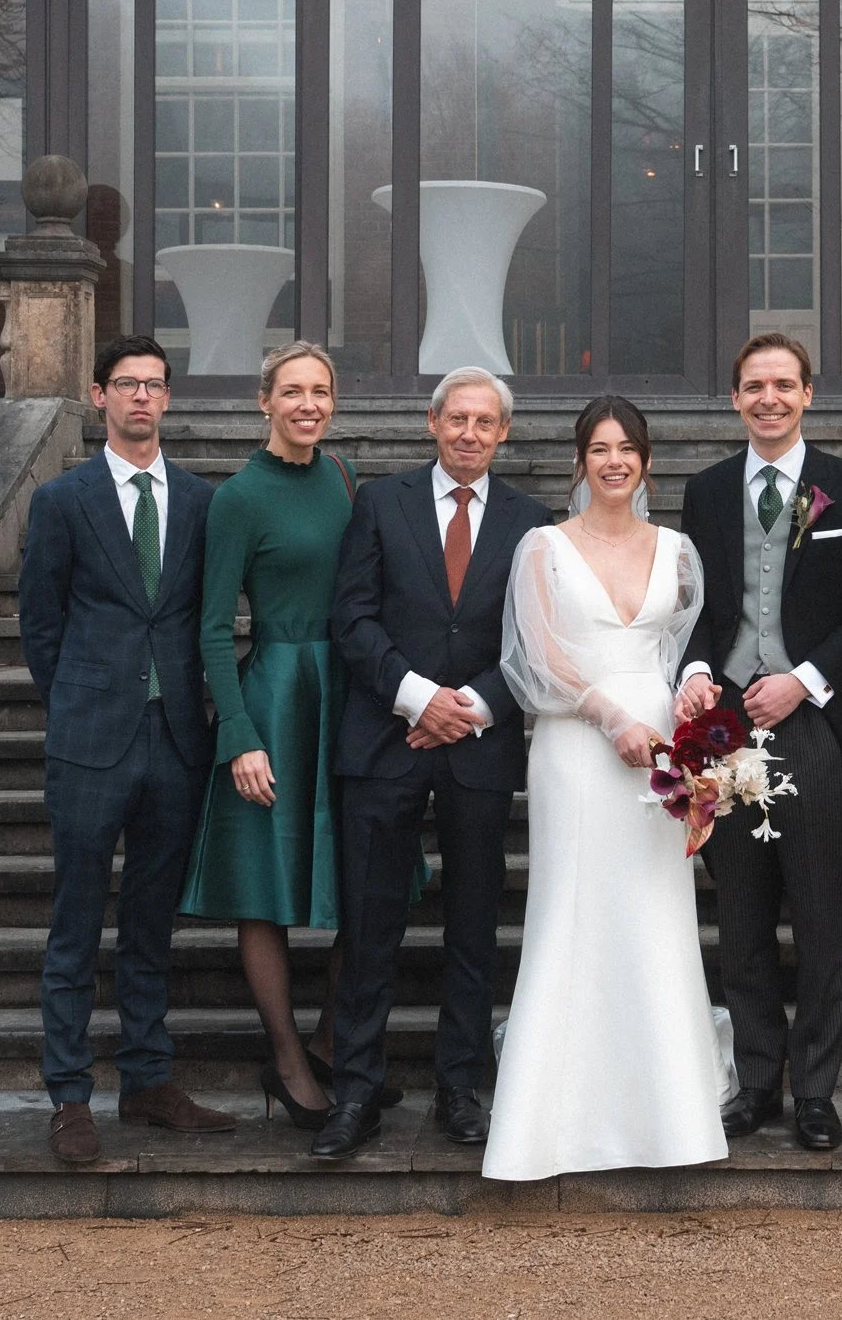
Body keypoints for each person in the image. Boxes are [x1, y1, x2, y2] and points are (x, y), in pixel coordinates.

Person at [310, 367, 552, 1160]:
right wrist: (418, 698)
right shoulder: (380, 502)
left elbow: (536, 642)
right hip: (385, 741)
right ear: (432, 422)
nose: (470, 433)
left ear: (504, 433)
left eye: (486, 422)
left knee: (472, 924)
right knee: (370, 918)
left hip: (480, 749)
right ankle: (354, 1091)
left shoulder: (532, 522)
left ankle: (459, 1087)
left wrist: (471, 708)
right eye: (458, 419)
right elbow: (351, 615)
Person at [483, 396, 727, 1180]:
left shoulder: (680, 549)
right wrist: (609, 716)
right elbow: (540, 659)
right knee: (573, 910)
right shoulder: (542, 547)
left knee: (656, 915)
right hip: (578, 741)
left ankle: (668, 1118)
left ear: (646, 461)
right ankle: (552, 1124)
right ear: (580, 460)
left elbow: (689, 644)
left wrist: (691, 687)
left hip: (660, 748)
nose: (614, 459)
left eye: (627, 447)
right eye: (599, 447)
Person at [674, 333, 842, 1153]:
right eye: (753, 386)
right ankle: (757, 1082)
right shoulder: (702, 491)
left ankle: (815, 1090)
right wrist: (697, 668)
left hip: (810, 721)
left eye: (783, 384)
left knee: (819, 914)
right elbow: (691, 604)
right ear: (735, 398)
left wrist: (803, 678)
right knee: (739, 915)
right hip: (725, 723)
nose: (769, 397)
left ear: (809, 392)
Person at [16, 334, 237, 1163]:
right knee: (76, 920)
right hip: (90, 739)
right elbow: (41, 623)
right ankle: (69, 1095)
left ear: (168, 398)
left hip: (176, 737)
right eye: (125, 384)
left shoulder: (203, 501)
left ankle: (146, 1079)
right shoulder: (63, 501)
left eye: (153, 384)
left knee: (151, 923)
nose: (140, 396)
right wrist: (76, 698)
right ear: (99, 396)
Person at [178, 341, 355, 1130]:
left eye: (320, 391)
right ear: (264, 402)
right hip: (276, 696)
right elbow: (214, 629)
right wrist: (239, 737)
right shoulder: (239, 498)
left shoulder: (343, 477)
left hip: (346, 692)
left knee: (366, 876)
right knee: (264, 888)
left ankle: (324, 1042)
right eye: (293, 391)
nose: (308, 404)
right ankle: (285, 1060)